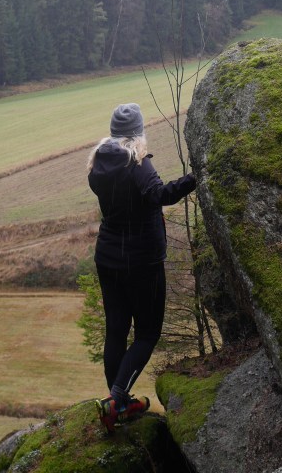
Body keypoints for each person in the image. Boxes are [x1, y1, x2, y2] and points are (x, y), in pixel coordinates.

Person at [88, 102, 196, 429]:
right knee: (147, 333)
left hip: (108, 258)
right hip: (142, 261)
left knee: (117, 330)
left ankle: (115, 404)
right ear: (138, 133)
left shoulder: (98, 163)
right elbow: (160, 195)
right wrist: (196, 177)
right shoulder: (137, 163)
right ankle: (118, 397)